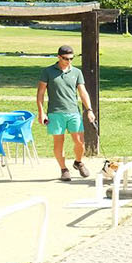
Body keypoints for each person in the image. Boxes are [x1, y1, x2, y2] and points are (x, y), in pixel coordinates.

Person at [36, 45, 95, 181]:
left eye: (71, 59)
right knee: (59, 143)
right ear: (59, 57)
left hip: (73, 112)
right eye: (65, 58)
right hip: (55, 113)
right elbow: (40, 93)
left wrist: (89, 110)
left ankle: (78, 162)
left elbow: (83, 92)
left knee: (80, 142)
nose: (69, 61)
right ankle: (63, 169)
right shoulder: (48, 72)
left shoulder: (76, 72)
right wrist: (41, 112)